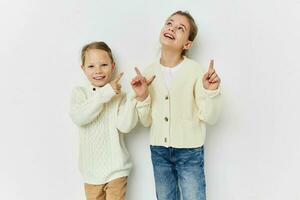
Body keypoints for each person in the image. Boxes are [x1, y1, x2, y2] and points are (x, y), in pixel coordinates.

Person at [137, 11, 222, 200]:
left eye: (180, 28)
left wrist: (211, 91)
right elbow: (145, 121)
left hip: (190, 151)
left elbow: (210, 117)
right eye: (169, 23)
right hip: (159, 150)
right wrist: (142, 97)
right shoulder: (149, 72)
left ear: (187, 44)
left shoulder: (195, 71)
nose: (172, 28)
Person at [69, 41, 153, 200]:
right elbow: (80, 118)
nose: (98, 71)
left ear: (113, 66)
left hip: (117, 170)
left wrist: (133, 98)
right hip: (91, 172)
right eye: (91, 66)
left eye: (104, 65)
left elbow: (125, 126)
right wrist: (105, 93)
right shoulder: (80, 93)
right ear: (83, 68)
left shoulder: (119, 96)